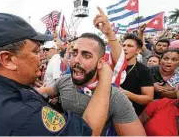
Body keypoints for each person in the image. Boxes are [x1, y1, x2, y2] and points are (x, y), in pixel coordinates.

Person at [0, 13, 111, 136]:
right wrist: (105, 79)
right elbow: (87, 132)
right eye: (36, 51)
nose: (42, 57)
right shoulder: (25, 115)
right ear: (7, 59)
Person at [36, 7, 146, 136]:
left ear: (100, 63)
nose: (76, 60)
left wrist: (109, 33)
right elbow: (43, 92)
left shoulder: (115, 97)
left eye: (86, 55)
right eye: (74, 53)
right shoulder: (64, 81)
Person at [120, 34, 154, 116]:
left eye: (129, 46)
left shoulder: (143, 70)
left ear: (138, 51)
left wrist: (127, 94)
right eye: (123, 45)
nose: (125, 48)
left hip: (132, 115)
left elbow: (148, 99)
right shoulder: (114, 66)